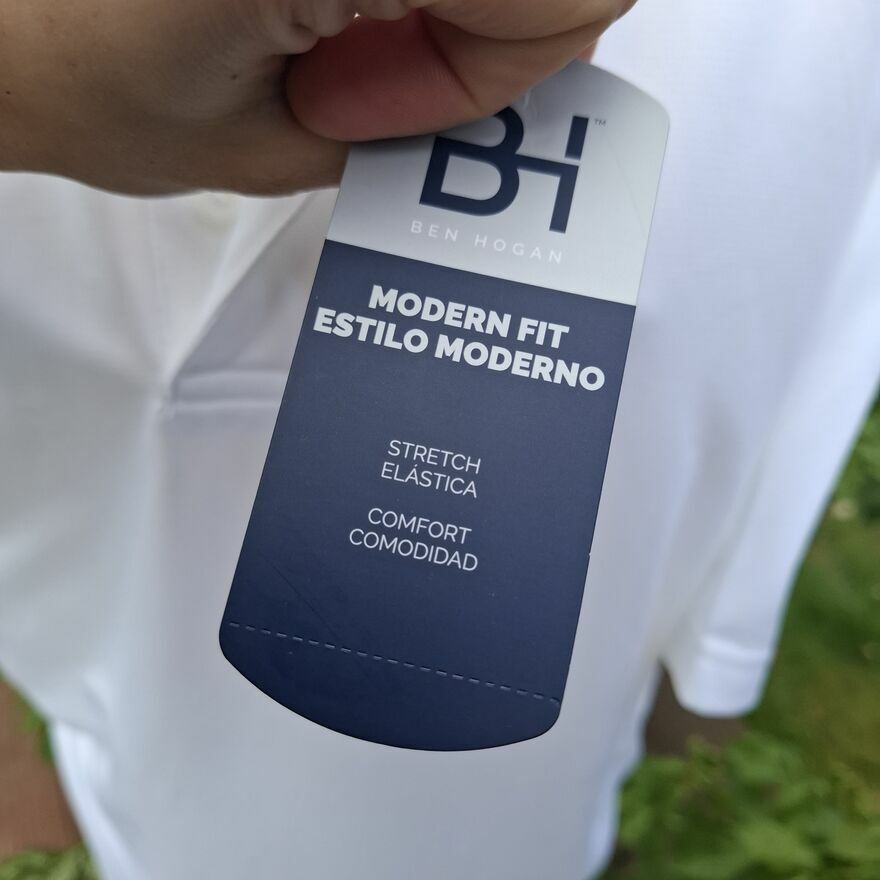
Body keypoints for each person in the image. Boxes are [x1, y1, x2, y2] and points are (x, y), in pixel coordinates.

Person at [1, 1, 879, 878]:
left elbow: (767, 448)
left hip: (498, 814)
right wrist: (29, 87)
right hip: (136, 782)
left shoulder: (813, 63)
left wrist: (701, 710)